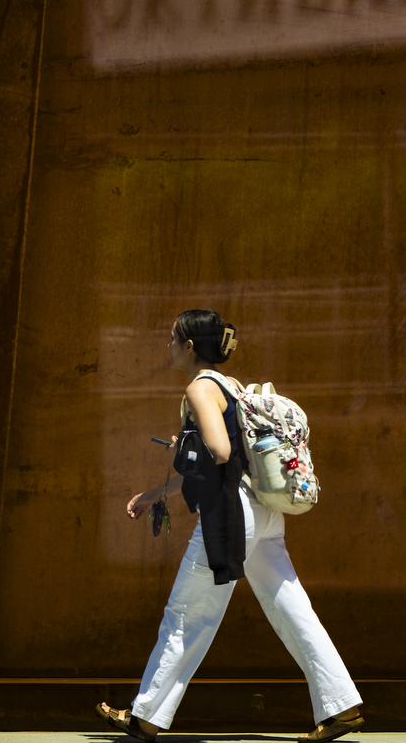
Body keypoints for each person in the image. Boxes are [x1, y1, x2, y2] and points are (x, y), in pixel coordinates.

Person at [97, 309, 365, 743]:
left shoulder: (201, 388)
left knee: (186, 615)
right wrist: (154, 494)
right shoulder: (232, 386)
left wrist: (187, 445)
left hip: (231, 514)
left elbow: (219, 451)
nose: (166, 345)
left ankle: (145, 716)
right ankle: (342, 706)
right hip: (262, 509)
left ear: (189, 347)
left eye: (171, 339)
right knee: (291, 607)